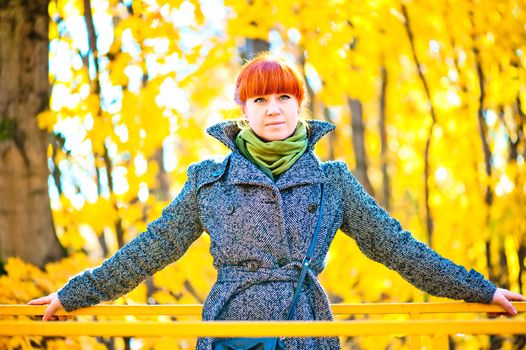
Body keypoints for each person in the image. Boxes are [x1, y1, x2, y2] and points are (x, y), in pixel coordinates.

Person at [29, 53, 525, 349]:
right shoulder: (208, 181)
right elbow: (148, 250)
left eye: (284, 98)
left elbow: (396, 247)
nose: (274, 110)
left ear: (299, 105)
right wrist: (73, 294)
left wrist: (479, 290)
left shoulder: (333, 181)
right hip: (233, 333)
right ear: (242, 110)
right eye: (260, 100)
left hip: (305, 330)